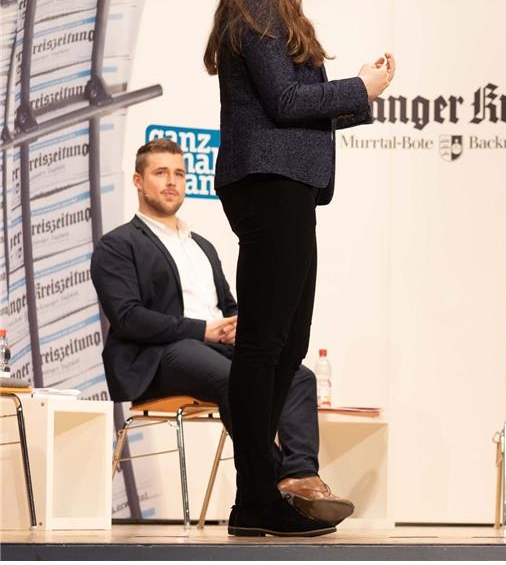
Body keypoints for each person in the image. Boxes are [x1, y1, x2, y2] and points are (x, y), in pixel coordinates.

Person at [203, 0, 395, 537]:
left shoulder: (275, 8)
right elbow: (285, 101)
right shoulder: (255, 1)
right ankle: (255, 495)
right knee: (265, 344)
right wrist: (361, 88)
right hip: (268, 184)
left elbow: (297, 100)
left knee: (285, 343)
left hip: (289, 186)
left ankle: (257, 488)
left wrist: (358, 95)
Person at [92, 139, 354, 526]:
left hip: (216, 348)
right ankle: (267, 486)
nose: (172, 182)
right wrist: (204, 331)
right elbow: (129, 318)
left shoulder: (203, 246)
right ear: (137, 180)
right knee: (240, 381)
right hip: (158, 356)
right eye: (160, 173)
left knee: (298, 375)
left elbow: (231, 307)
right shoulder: (117, 244)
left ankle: (300, 477)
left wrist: (239, 328)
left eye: (179, 174)